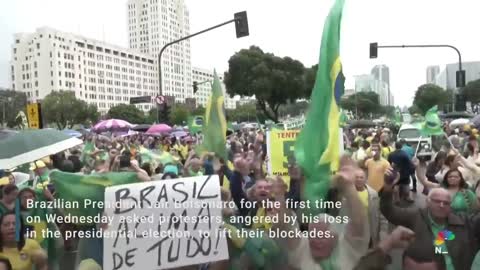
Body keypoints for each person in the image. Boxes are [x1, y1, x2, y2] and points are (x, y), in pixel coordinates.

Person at [273, 160, 368, 270]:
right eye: (313, 235)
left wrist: (349, 187)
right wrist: (279, 196)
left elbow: (358, 223)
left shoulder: (346, 247)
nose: (316, 240)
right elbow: (287, 225)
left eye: (323, 236)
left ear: (336, 237)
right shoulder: (302, 247)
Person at [380, 169, 479, 270]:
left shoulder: (461, 221)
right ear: (427, 202)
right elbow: (389, 211)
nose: (441, 205)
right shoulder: (416, 216)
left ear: (450, 206)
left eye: (446, 203)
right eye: (437, 201)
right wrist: (388, 188)